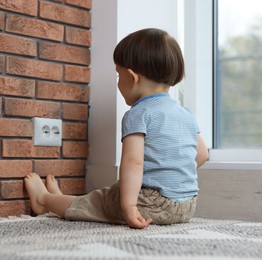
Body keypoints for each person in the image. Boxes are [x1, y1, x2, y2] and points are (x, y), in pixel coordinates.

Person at [24, 28, 209, 229]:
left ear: (132, 78)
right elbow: (201, 155)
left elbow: (133, 162)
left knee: (100, 202)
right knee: (108, 195)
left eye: (118, 75)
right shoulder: (186, 114)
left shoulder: (138, 114)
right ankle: (60, 200)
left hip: (151, 204)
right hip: (186, 205)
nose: (119, 82)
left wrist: (129, 206)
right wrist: (173, 176)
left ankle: (43, 200)